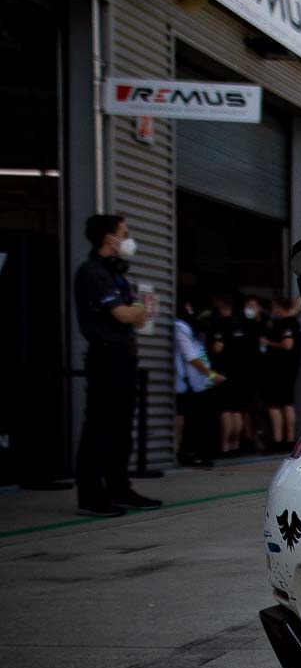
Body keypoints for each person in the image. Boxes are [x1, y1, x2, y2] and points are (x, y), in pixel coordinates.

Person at [73, 213, 157, 515]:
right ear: (109, 238)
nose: (128, 239)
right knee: (100, 425)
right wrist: (136, 310)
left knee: (121, 427)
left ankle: (118, 486)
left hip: (124, 357)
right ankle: (91, 495)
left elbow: (140, 316)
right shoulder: (93, 272)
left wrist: (136, 311)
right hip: (105, 356)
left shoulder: (117, 273)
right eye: (124, 233)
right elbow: (124, 314)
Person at [208, 293, 260, 454]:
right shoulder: (241, 324)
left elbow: (217, 348)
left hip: (224, 374)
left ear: (220, 306)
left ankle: (225, 446)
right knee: (237, 411)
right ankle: (236, 444)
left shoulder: (219, 324)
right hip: (242, 375)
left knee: (226, 411)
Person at [172, 297, 220, 467]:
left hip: (200, 381)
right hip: (187, 382)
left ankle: (198, 453)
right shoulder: (181, 327)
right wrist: (211, 374)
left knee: (200, 419)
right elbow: (190, 356)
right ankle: (188, 453)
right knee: (193, 419)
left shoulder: (196, 329)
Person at [259, 295, 301, 450]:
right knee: (286, 403)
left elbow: (287, 344)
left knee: (274, 405)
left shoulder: (287, 323)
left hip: (280, 371)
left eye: (273, 307)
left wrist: (268, 343)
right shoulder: (291, 322)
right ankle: (289, 440)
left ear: (278, 308)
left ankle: (278, 440)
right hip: (287, 370)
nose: (272, 311)